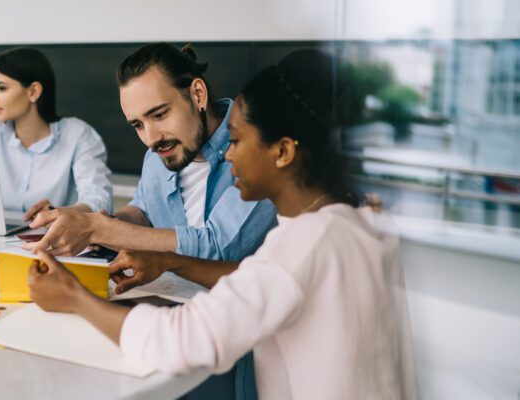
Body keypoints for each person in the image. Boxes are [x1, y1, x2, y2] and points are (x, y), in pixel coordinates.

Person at [27, 49, 417, 399]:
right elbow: (258, 275)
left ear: (282, 151)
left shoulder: (302, 244)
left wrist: (74, 297)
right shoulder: (365, 223)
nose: (226, 155)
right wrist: (171, 261)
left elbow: (181, 339)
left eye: (235, 139)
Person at [23, 43, 277, 262]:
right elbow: (143, 212)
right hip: (167, 297)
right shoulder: (157, 155)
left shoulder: (259, 146)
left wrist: (99, 229)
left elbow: (220, 248)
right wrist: (92, 221)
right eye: (137, 125)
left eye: (160, 115)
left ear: (197, 95)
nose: (151, 139)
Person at [0, 47, 112, 218]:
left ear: (33, 92)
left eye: (1, 88)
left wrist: (59, 213)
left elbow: (99, 201)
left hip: (52, 238)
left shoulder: (79, 135)